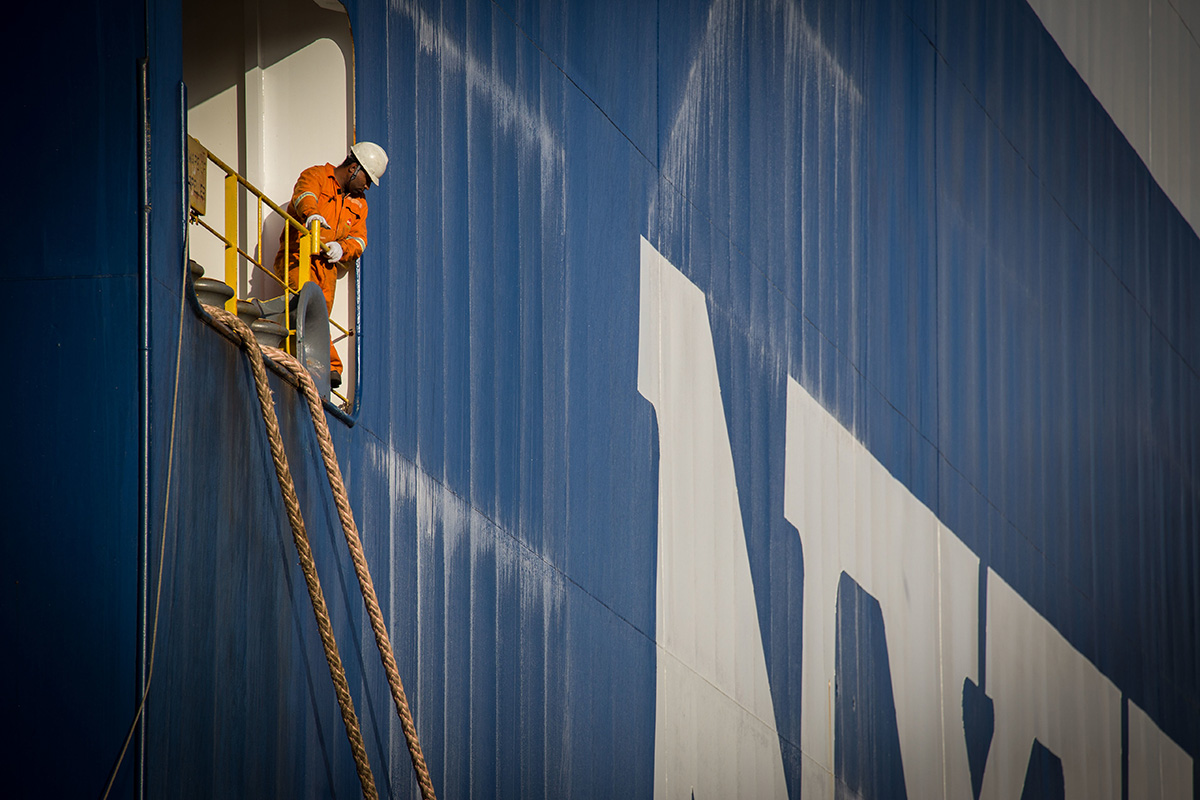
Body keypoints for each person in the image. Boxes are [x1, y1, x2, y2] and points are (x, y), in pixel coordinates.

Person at [273, 141, 388, 389]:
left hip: (326, 268)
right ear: (354, 168)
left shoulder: (360, 204)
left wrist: (342, 248)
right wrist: (311, 214)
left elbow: (360, 239)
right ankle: (329, 367)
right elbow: (304, 195)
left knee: (318, 315)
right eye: (367, 179)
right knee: (306, 308)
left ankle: (321, 366)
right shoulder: (316, 176)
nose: (367, 186)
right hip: (298, 256)